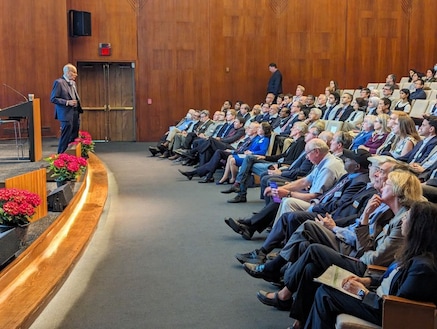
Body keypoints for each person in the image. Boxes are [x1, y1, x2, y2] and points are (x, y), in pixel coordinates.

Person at [252, 170, 424, 328]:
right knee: (311, 266)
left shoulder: (403, 220)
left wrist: (362, 250)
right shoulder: (391, 214)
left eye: (387, 183)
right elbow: (368, 246)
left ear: (397, 189)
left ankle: (281, 286)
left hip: (366, 267)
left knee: (313, 249)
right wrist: (364, 219)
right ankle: (300, 322)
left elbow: (373, 258)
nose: (383, 184)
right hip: (361, 258)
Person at [304, 201, 437, 329]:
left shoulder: (423, 268)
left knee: (326, 293)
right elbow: (393, 278)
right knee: (316, 273)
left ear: (418, 226)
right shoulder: (413, 252)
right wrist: (367, 280)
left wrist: (361, 292)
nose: (403, 220)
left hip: (383, 311)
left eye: (407, 217)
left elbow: (398, 307)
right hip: (377, 299)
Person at [50, 63, 82, 154]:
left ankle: (72, 157)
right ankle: (60, 156)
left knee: (74, 136)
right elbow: (53, 98)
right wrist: (67, 102)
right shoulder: (59, 82)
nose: (76, 75)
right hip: (65, 114)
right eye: (74, 73)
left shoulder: (73, 83)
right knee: (66, 136)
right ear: (68, 72)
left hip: (75, 113)